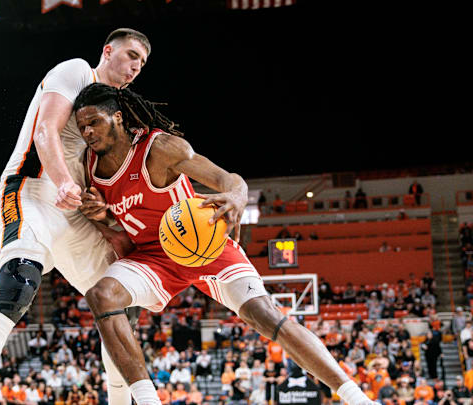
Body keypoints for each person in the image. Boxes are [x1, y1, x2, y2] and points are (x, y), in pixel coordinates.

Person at [73, 83, 373, 405]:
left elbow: (229, 179)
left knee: (264, 314)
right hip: (153, 256)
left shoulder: (160, 149)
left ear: (117, 117)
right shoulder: (89, 168)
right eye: (82, 127)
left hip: (205, 246)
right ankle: (148, 401)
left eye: (95, 122)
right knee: (101, 296)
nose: (88, 131)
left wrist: (236, 196)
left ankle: (358, 399)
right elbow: (118, 232)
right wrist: (103, 217)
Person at [0, 28, 151, 405]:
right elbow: (45, 130)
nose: (137, 66)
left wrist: (103, 210)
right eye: (132, 55)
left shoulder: (119, 114)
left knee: (121, 302)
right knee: (18, 287)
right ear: (107, 51)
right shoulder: (75, 71)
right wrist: (64, 182)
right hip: (32, 191)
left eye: (143, 62)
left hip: (74, 214)